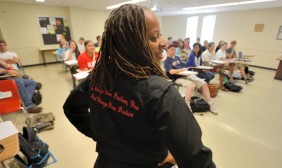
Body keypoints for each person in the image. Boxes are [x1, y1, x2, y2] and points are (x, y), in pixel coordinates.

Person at [64, 4, 216, 168]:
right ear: (132, 44)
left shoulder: (99, 76)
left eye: (160, 35)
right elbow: (198, 161)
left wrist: (103, 137)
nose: (163, 43)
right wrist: (158, 154)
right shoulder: (160, 92)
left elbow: (72, 108)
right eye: (154, 37)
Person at [165, 44, 217, 114]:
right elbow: (171, 72)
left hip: (185, 75)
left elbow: (181, 68)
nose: (173, 51)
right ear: (167, 50)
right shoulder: (167, 60)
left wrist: (184, 70)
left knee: (204, 84)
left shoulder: (177, 58)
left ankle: (210, 103)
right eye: (172, 50)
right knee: (191, 85)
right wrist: (181, 70)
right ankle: (187, 105)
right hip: (177, 78)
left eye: (174, 50)